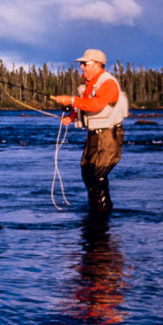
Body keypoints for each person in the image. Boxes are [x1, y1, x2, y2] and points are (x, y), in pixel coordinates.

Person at [51, 49, 128, 213]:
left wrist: (71, 100)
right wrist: (71, 117)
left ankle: (101, 215)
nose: (82, 67)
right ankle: (97, 211)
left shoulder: (108, 83)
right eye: (81, 64)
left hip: (108, 135)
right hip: (95, 134)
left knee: (97, 175)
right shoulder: (91, 84)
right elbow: (87, 105)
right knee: (87, 171)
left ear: (98, 65)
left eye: (85, 64)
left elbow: (97, 104)